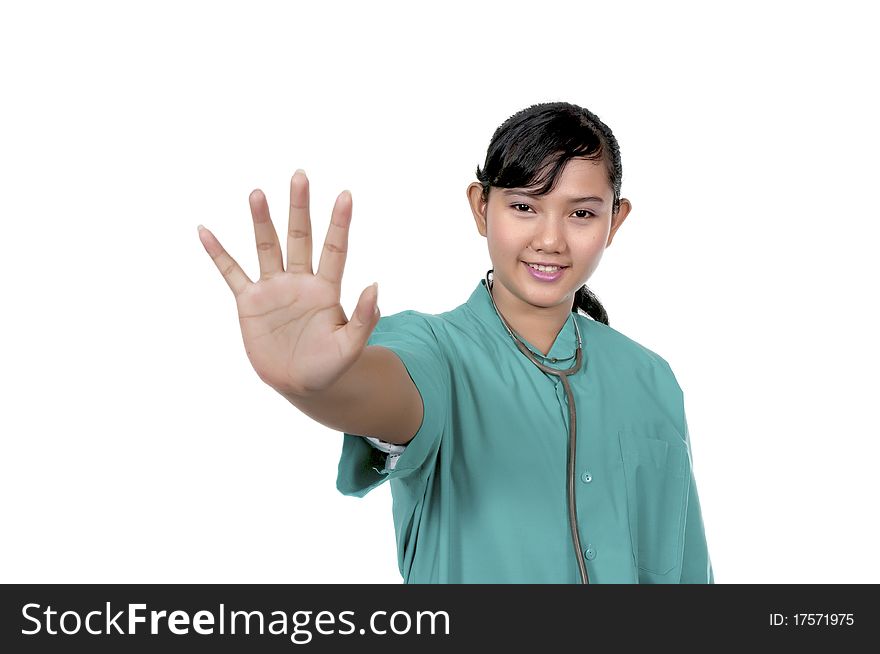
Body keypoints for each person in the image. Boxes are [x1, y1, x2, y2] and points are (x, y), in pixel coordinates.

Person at [197, 101, 714, 584]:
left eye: (581, 213)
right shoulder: (433, 349)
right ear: (480, 206)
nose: (552, 240)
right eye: (524, 206)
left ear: (614, 221)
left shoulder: (651, 378)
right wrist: (316, 385)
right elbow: (385, 395)